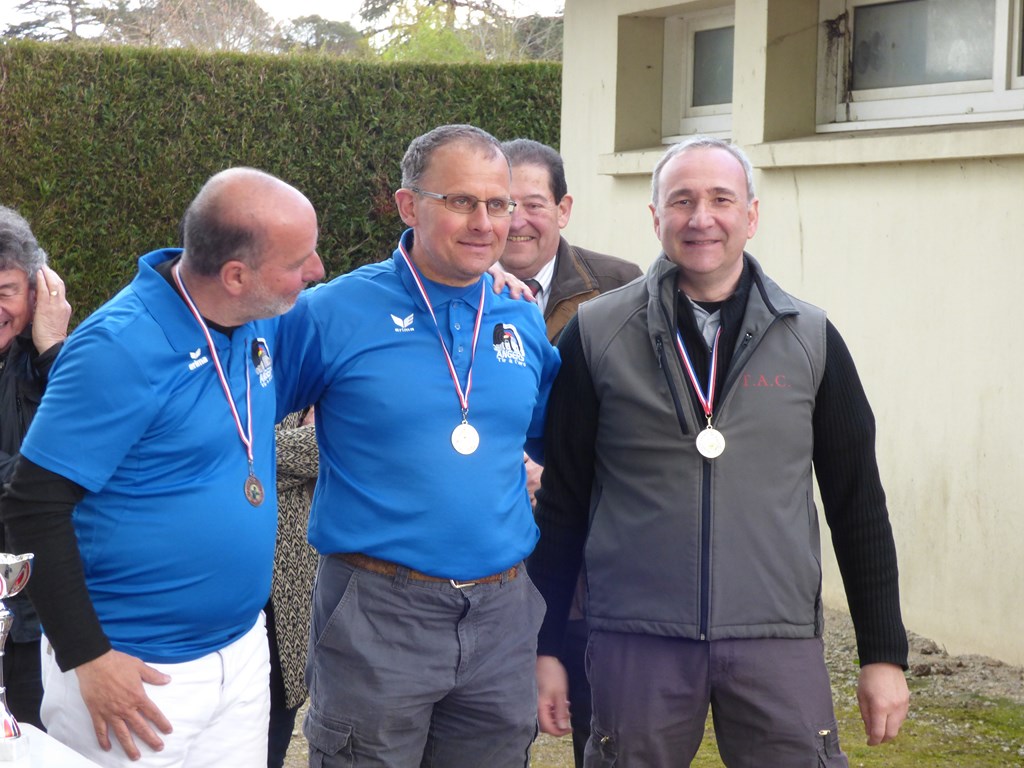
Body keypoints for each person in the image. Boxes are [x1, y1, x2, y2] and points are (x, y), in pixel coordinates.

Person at [528, 136, 910, 767]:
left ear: (751, 216)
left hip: (775, 638)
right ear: (656, 217)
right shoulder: (596, 336)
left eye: (721, 200)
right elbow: (563, 503)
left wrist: (883, 654)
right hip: (636, 639)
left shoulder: (812, 339)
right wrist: (545, 646)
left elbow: (859, 505)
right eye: (682, 201)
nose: (701, 218)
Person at [0, 167, 326, 767]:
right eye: (299, 260)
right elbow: (33, 504)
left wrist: (481, 280)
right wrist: (87, 656)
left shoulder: (258, 316)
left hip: (240, 651)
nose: (317, 270)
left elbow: (359, 305)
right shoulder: (118, 348)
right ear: (235, 275)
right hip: (134, 669)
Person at [273, 124, 561, 768]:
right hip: (378, 611)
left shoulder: (519, 315)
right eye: (461, 201)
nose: (484, 222)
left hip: (502, 614)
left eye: (498, 204)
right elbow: (240, 414)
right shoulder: (332, 312)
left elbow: (543, 438)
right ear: (409, 206)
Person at [499, 138, 641, 766]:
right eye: (502, 203)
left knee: (601, 724)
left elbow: (645, 415)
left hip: (588, 551)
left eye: (533, 203)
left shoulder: (619, 287)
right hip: (489, 557)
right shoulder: (450, 286)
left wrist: (557, 472)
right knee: (491, 728)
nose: (516, 221)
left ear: (564, 208)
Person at [0, 205, 72, 730]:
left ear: (38, 291)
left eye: (5, 290)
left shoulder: (60, 364)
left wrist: (53, 350)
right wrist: (34, 479)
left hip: (36, 616)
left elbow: (86, 455)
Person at [266, 407, 318, 768]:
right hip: (216, 588)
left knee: (272, 742)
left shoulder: (302, 376)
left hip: (287, 591)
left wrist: (238, 452)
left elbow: (329, 443)